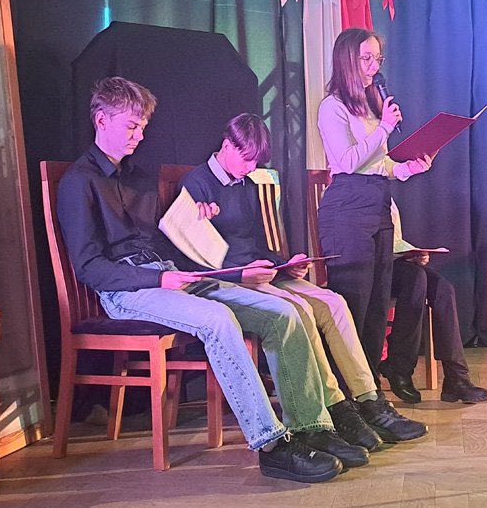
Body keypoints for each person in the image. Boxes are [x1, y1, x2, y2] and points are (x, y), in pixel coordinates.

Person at [57, 76, 356, 482]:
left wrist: (195, 225)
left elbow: (163, 238)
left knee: (282, 313)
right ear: (101, 120)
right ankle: (271, 445)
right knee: (218, 320)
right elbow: (89, 268)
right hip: (127, 290)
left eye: (143, 127)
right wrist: (157, 281)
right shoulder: (78, 182)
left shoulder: (136, 176)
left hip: (167, 272)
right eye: (131, 126)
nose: (139, 136)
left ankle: (311, 427)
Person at [180, 114, 426, 444]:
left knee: (333, 302)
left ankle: (369, 399)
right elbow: (191, 255)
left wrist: (285, 265)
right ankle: (335, 407)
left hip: (258, 273)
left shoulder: (248, 185)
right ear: (227, 146)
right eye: (246, 159)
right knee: (301, 310)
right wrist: (242, 272)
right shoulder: (196, 184)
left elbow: (257, 245)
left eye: (255, 162)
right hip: (229, 279)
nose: (250, 168)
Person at [316, 27, 432, 392]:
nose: (373, 66)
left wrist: (409, 168)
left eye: (377, 58)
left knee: (378, 304)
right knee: (355, 303)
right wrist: (384, 128)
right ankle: (345, 393)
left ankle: (369, 391)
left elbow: (379, 165)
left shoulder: (368, 107)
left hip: (377, 203)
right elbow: (349, 162)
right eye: (366, 58)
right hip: (347, 208)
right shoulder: (332, 107)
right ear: (347, 60)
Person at [381, 201, 487, 404]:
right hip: (371, 269)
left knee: (443, 289)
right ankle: (399, 367)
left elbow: (394, 241)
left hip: (394, 264)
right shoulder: (346, 193)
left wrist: (411, 254)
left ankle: (456, 377)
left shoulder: (386, 196)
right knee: (415, 279)